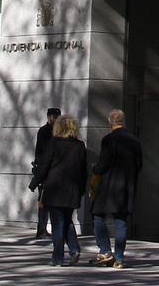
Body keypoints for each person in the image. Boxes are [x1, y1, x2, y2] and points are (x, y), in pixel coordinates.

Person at [90, 109, 144, 269]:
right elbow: (139, 165)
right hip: (127, 186)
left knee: (97, 215)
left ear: (110, 122)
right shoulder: (135, 141)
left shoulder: (108, 140)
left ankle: (105, 250)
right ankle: (119, 258)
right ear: (123, 122)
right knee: (121, 221)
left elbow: (103, 164)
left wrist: (95, 169)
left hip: (108, 186)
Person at [33, 113, 88, 265]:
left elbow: (44, 166)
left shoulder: (53, 143)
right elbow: (83, 171)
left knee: (58, 223)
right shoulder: (80, 146)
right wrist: (82, 189)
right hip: (72, 190)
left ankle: (57, 258)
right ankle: (74, 249)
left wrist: (34, 183)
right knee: (67, 220)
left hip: (55, 189)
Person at [29, 107, 60, 240]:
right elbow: (42, 152)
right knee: (43, 200)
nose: (57, 119)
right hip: (45, 169)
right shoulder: (44, 131)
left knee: (50, 201)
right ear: (49, 117)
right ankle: (41, 229)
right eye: (55, 117)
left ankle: (46, 229)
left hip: (54, 169)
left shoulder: (58, 130)